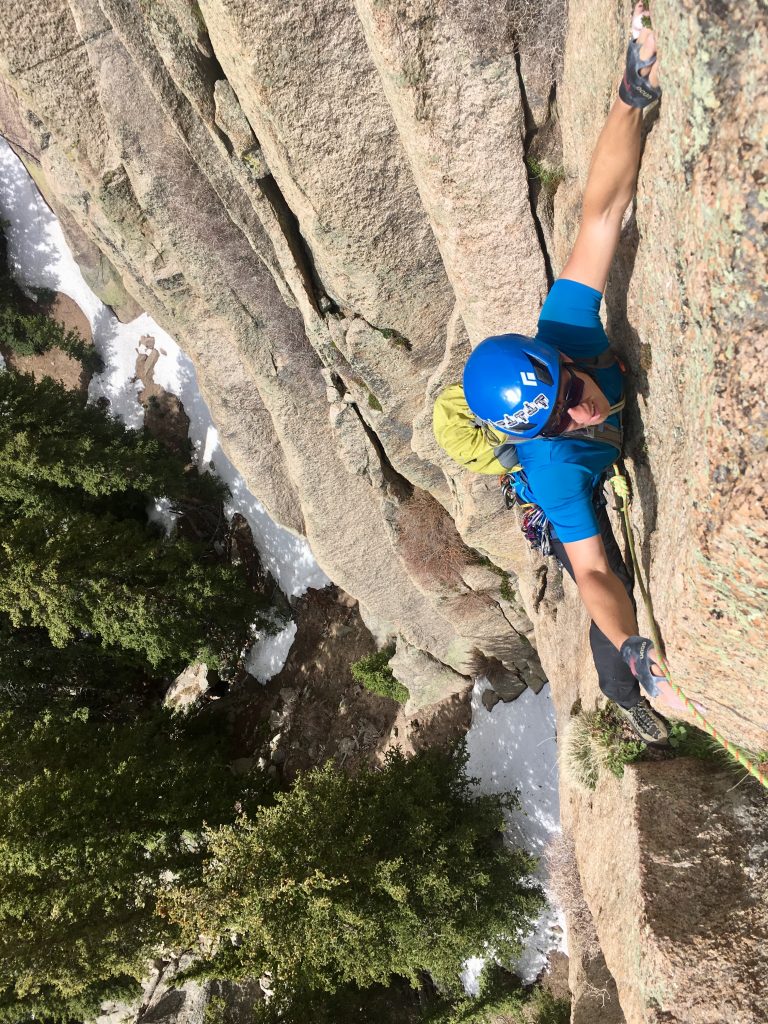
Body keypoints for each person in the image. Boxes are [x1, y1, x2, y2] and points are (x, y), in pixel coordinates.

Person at [435, 4, 677, 743]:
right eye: (559, 417)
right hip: (573, 488)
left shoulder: (564, 329)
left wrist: (631, 93)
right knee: (609, 594)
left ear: (560, 360)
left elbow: (602, 213)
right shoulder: (554, 468)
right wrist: (636, 650)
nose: (580, 410)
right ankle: (623, 694)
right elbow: (596, 572)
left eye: (570, 391)